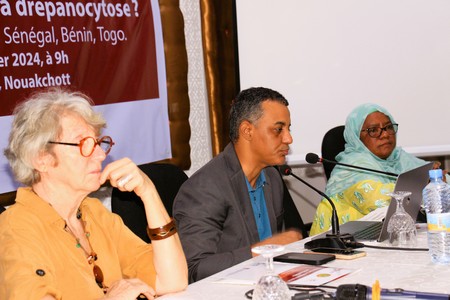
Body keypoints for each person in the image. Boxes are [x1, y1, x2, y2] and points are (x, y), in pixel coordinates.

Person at [0, 88, 188, 299]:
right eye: (84, 144)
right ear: (41, 159)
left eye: (98, 143)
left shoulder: (94, 213)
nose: (100, 155)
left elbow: (172, 280)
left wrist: (148, 192)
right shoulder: (16, 228)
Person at [173, 87, 303, 283]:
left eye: (288, 129)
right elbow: (193, 269)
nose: (288, 138)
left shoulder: (272, 177)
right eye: (278, 129)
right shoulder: (204, 189)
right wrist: (261, 250)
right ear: (247, 131)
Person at [310, 103, 434, 235]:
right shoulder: (353, 166)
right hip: (342, 243)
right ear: (357, 137)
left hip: (384, 236)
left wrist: (438, 180)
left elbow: (438, 178)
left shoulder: (399, 158)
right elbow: (384, 202)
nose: (385, 134)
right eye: (373, 130)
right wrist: (428, 188)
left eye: (388, 127)